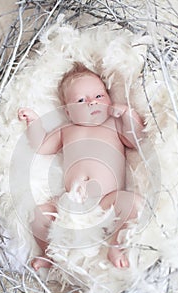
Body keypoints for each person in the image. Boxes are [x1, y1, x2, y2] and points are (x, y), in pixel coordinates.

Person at [18, 62, 144, 270]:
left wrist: (128, 115)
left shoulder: (113, 124)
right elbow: (41, 146)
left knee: (134, 203)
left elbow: (136, 140)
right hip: (70, 203)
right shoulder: (66, 129)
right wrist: (34, 122)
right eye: (81, 100)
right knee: (38, 214)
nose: (92, 103)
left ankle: (116, 245)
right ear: (67, 112)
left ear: (109, 97)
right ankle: (48, 253)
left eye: (99, 96)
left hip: (108, 201)